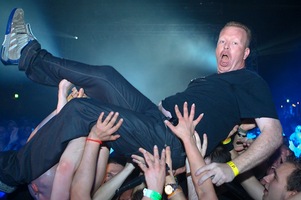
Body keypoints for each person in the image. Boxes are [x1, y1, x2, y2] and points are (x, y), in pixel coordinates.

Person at [0, 7, 282, 192]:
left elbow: (273, 134)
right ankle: (24, 54)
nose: (225, 47)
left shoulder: (250, 81)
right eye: (222, 41)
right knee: (106, 77)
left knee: (80, 110)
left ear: (245, 53)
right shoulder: (208, 80)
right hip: (156, 118)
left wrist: (232, 168)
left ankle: (10, 172)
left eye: (234, 43)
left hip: (172, 141)